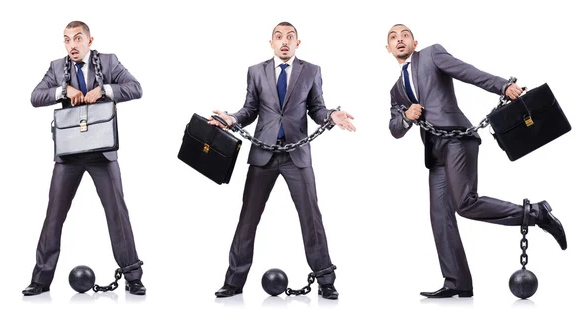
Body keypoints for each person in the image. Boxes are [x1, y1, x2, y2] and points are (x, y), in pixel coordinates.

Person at [385, 24, 567, 298]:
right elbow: (394, 130)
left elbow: (467, 71)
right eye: (393, 37)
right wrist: (405, 117)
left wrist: (503, 86)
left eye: (404, 35)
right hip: (435, 152)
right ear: (387, 48)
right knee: (439, 217)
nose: (399, 39)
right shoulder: (396, 91)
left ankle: (536, 214)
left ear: (414, 41)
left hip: (458, 138)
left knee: (465, 204)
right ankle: (456, 282)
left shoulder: (432, 55)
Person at [209, 21, 355, 300]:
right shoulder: (255, 71)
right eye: (279, 37)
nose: (284, 41)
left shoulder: (311, 71)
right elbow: (250, 109)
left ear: (297, 43)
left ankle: (325, 279)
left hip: (296, 156)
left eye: (290, 37)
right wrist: (231, 119)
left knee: (311, 218)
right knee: (248, 219)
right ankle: (234, 281)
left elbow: (317, 108)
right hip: (263, 154)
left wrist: (331, 116)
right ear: (271, 43)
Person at [23, 21, 146, 296]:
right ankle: (41, 279)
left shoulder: (109, 62)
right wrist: (62, 91)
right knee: (53, 216)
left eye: (77, 39)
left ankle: (133, 276)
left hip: (102, 151)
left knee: (117, 214)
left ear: (89, 41)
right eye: (66, 40)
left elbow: (136, 88)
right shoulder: (57, 68)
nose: (72, 45)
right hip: (69, 154)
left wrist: (104, 90)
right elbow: (35, 96)